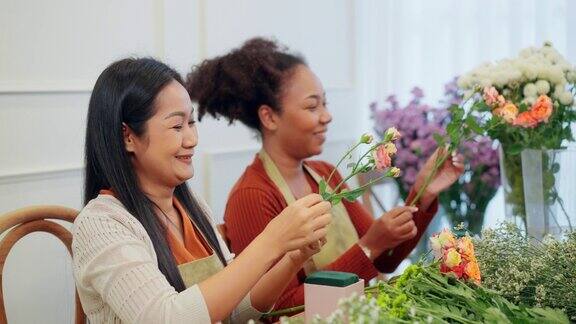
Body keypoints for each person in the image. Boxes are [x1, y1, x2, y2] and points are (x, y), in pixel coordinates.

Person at [186, 38, 465, 309]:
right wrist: (368, 246)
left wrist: (423, 193)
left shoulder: (324, 174)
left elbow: (384, 258)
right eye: (312, 106)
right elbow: (276, 309)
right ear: (269, 117)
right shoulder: (253, 195)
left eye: (325, 103)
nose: (326, 116)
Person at [72, 57, 332, 323]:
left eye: (192, 123)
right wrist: (271, 241)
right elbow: (166, 318)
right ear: (127, 136)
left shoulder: (189, 207)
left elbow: (233, 309)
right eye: (176, 126)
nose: (192, 139)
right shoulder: (101, 224)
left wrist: (292, 257)